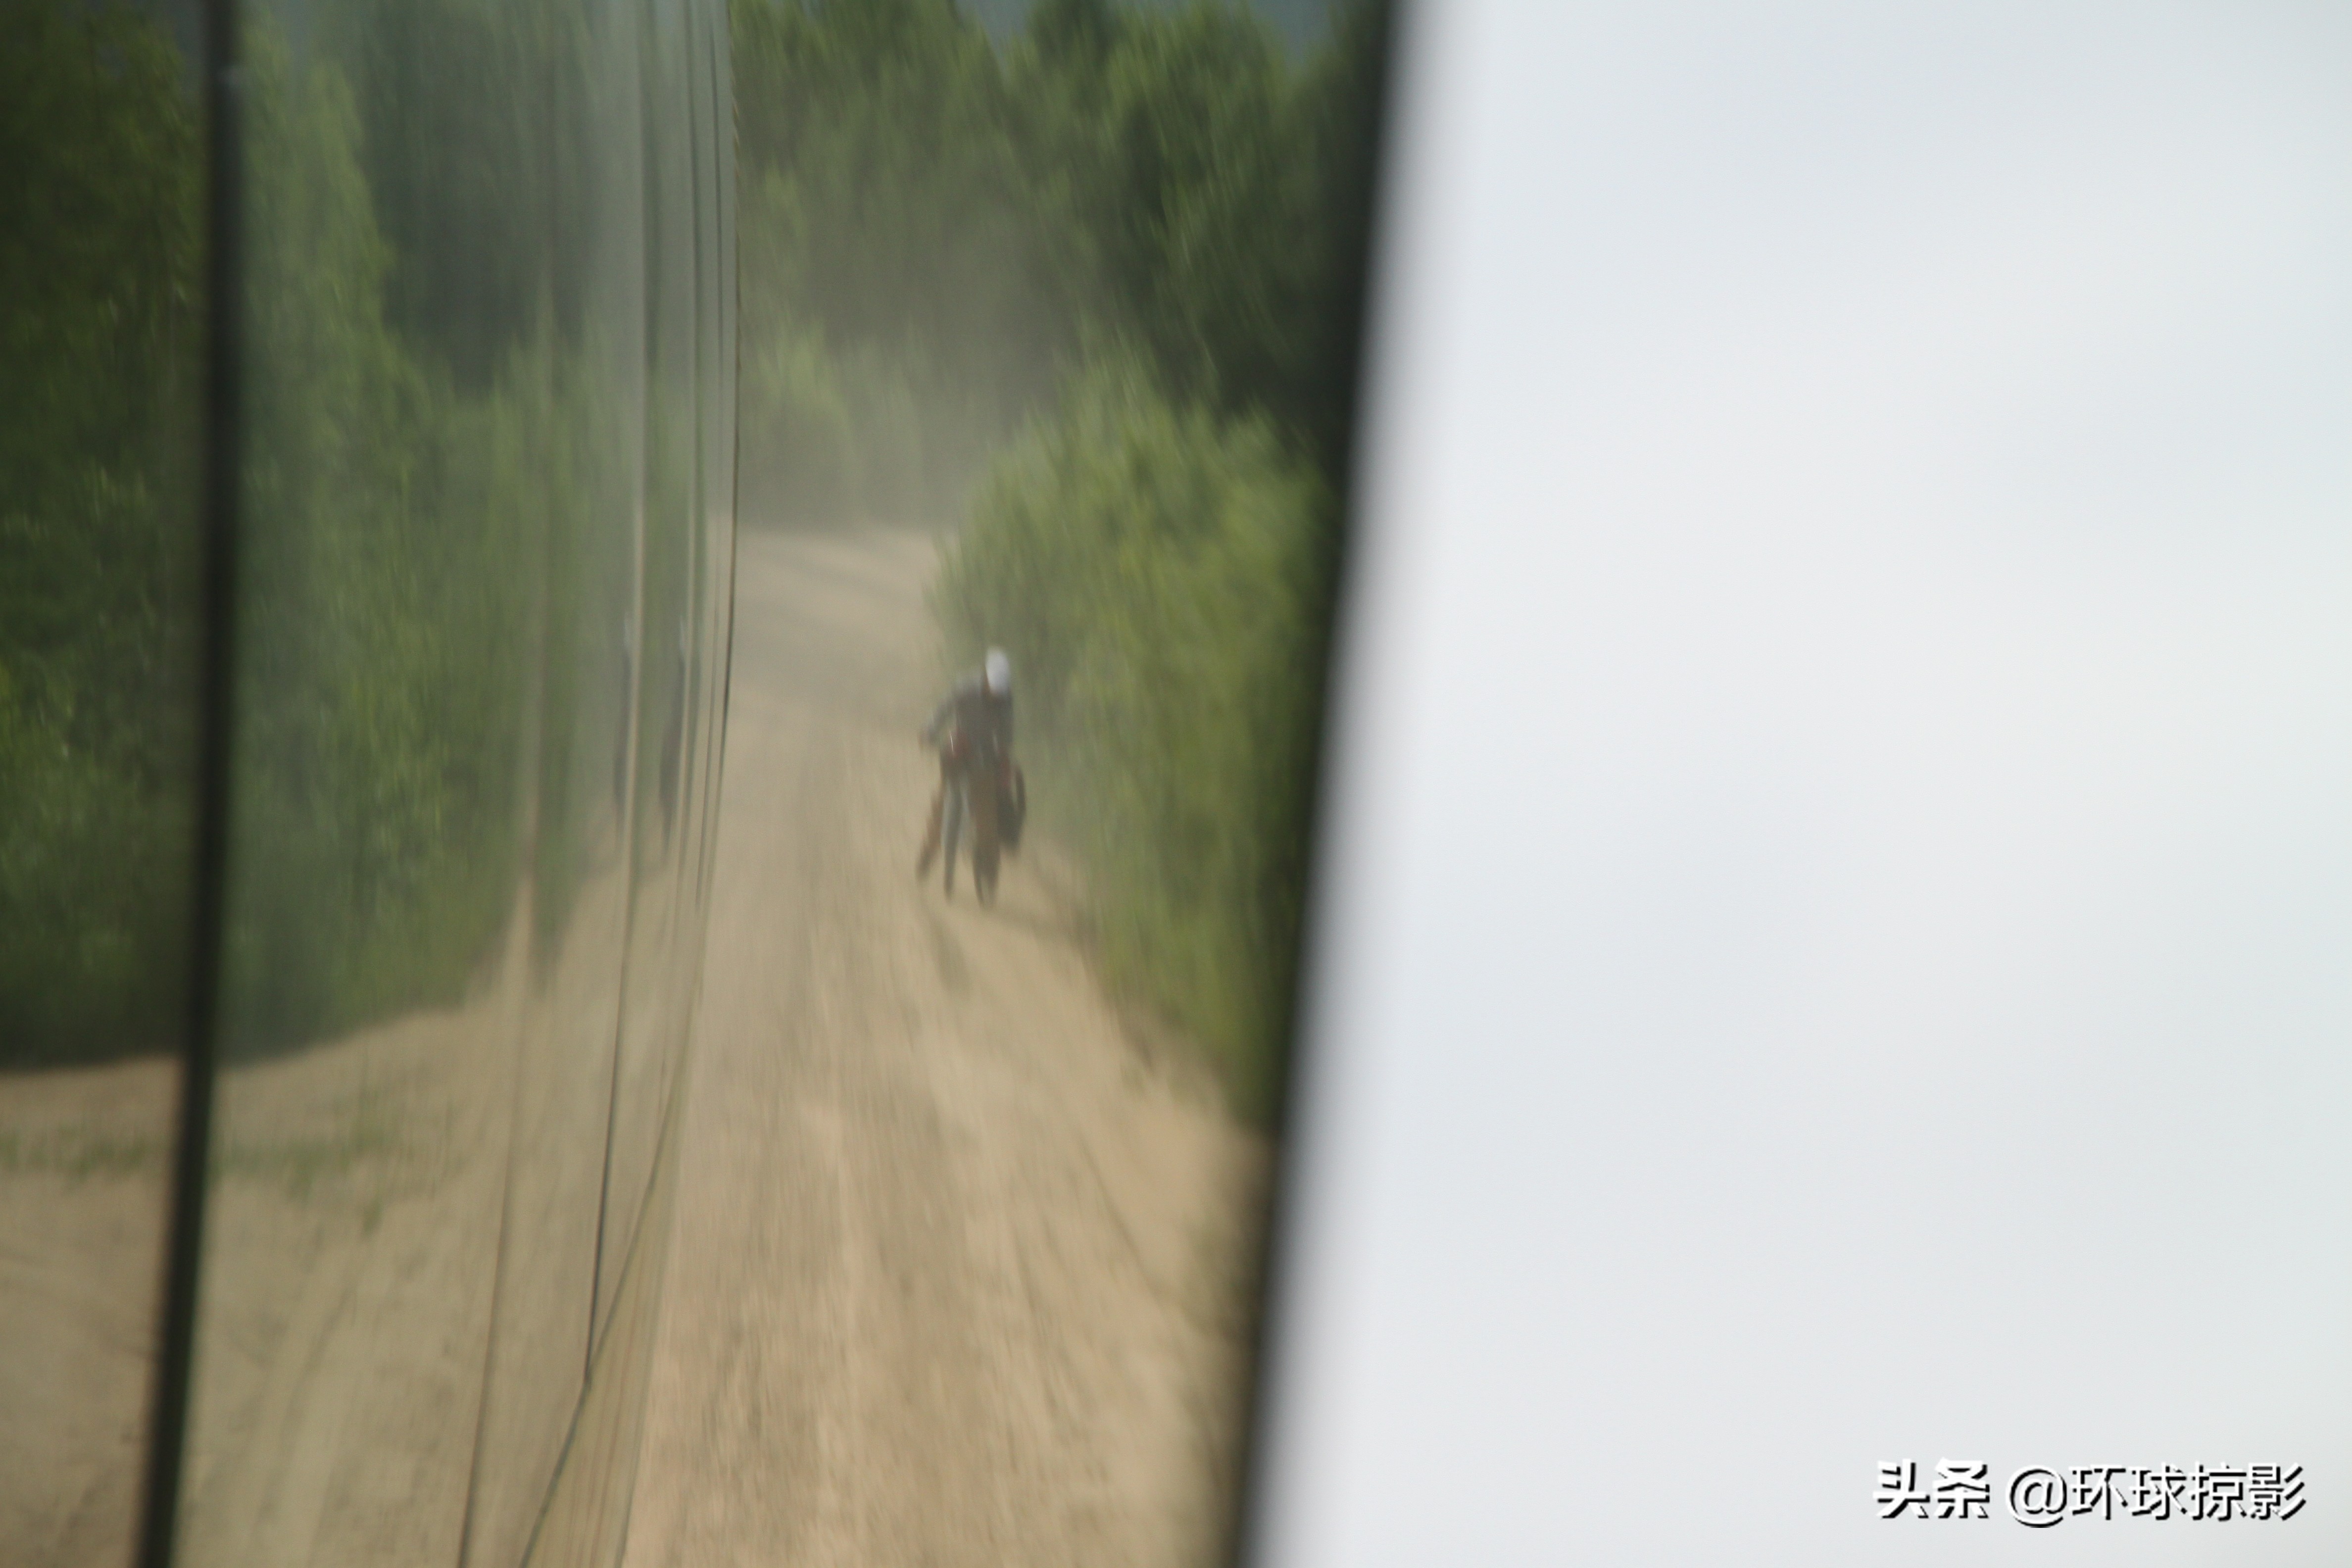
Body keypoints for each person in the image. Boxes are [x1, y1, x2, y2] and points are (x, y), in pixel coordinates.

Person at [915, 647, 1014, 894]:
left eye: (999, 693)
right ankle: (930, 850)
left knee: (987, 815)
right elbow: (942, 710)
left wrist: (1003, 762)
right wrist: (929, 730)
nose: (995, 696)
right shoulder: (965, 688)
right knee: (941, 806)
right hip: (958, 748)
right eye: (992, 689)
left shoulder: (1007, 701)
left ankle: (989, 867)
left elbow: (1006, 737)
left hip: (984, 756)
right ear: (985, 679)